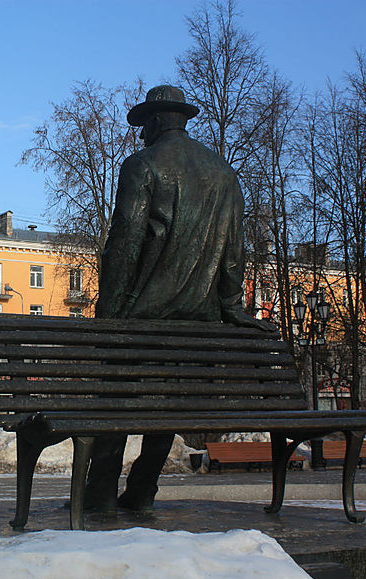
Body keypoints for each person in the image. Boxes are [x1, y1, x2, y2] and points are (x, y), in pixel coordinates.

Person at [85, 84, 276, 512]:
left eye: (143, 125)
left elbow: (127, 239)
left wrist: (109, 313)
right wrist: (232, 306)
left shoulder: (143, 165)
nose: (140, 135)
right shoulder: (224, 174)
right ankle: (141, 491)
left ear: (156, 121)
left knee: (115, 404)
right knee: (167, 407)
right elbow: (234, 250)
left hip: (141, 316)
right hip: (199, 322)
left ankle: (98, 496)